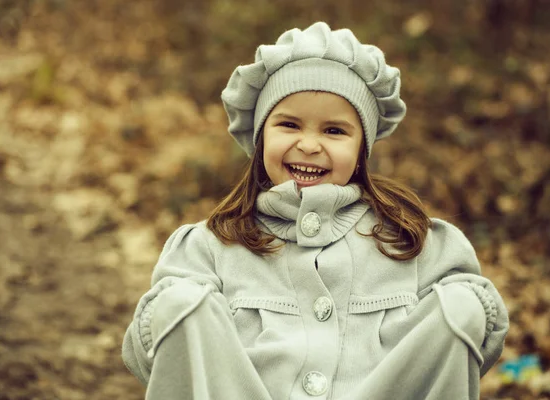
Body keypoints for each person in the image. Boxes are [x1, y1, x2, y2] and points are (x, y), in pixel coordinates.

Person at [122, 22, 509, 400]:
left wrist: (460, 312)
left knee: (461, 303)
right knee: (180, 302)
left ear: (362, 149)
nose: (308, 145)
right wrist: (180, 315)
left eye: (334, 131)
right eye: (289, 124)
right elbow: (156, 352)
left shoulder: (410, 241)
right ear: (260, 138)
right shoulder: (211, 246)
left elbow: (474, 337)